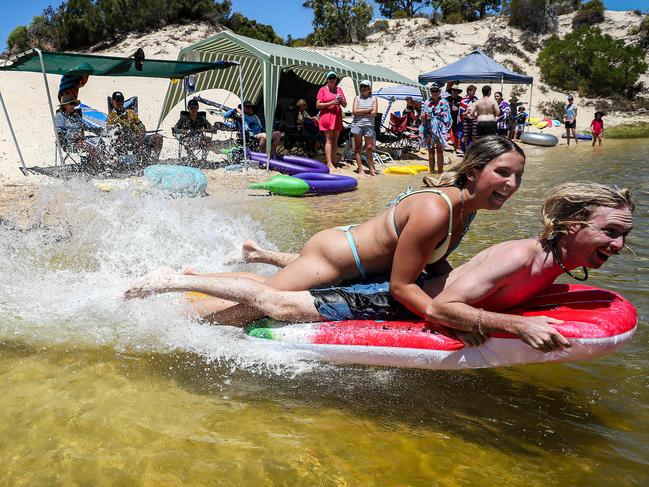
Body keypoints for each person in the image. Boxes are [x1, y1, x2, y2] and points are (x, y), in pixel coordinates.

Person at [126, 182, 634, 353]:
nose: (617, 245)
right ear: (569, 225)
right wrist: (511, 325)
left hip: (397, 288)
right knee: (277, 303)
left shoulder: (552, 264)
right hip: (393, 299)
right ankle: (174, 279)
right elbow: (444, 306)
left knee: (243, 312)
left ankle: (200, 288)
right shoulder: (522, 255)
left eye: (624, 236)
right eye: (610, 232)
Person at [126, 136, 526, 327]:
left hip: (347, 257)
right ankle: (176, 293)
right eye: (502, 173)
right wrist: (447, 317)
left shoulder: (466, 209)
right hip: (336, 260)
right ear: (474, 172)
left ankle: (198, 278)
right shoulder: (437, 209)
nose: (510, 185)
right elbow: (403, 286)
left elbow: (433, 263)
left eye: (518, 177)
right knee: (254, 308)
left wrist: (464, 289)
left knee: (273, 284)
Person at [106, 91, 163, 161]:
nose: (120, 103)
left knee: (158, 137)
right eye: (117, 101)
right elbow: (110, 132)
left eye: (121, 101)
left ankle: (154, 160)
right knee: (136, 139)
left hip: (139, 137)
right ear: (113, 102)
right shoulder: (112, 117)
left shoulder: (131, 113)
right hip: (125, 142)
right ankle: (141, 161)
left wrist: (141, 133)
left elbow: (142, 127)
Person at [55, 94, 104, 165]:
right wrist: (72, 135)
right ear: (65, 105)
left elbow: (85, 127)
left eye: (74, 104)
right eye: (71, 104)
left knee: (100, 142)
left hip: (81, 139)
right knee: (92, 146)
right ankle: (94, 166)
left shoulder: (76, 115)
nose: (73, 106)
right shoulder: (59, 116)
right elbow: (59, 132)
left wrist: (98, 130)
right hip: (69, 142)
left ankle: (101, 162)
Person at [316, 71, 347, 171]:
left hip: (337, 117)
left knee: (335, 140)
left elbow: (345, 105)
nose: (332, 80)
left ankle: (333, 162)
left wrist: (341, 101)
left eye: (334, 78)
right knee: (329, 139)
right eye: (330, 78)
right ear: (327, 80)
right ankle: (329, 163)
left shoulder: (339, 89)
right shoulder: (322, 89)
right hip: (327, 117)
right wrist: (331, 102)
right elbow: (318, 105)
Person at [419, 82, 452, 173]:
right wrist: (423, 116)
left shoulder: (444, 102)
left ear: (439, 91)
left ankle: (440, 172)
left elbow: (448, 118)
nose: (435, 93)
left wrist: (448, 131)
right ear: (430, 92)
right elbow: (422, 117)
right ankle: (432, 173)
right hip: (429, 129)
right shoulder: (426, 103)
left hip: (441, 130)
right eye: (433, 91)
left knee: (440, 152)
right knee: (430, 152)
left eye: (436, 91)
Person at [350, 80, 378, 176]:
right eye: (361, 86)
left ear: (369, 89)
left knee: (369, 148)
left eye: (365, 87)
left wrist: (361, 111)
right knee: (358, 147)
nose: (363, 88)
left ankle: (371, 169)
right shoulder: (357, 98)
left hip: (369, 125)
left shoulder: (374, 98)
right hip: (357, 124)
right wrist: (368, 110)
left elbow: (374, 113)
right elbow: (354, 112)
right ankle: (361, 169)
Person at [459, 85, 478, 151]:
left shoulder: (476, 99)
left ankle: (474, 150)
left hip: (474, 120)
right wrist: (466, 113)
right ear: (469, 91)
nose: (474, 93)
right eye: (473, 91)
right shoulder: (464, 100)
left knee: (474, 135)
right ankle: (466, 150)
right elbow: (461, 112)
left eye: (475, 91)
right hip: (466, 120)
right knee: (466, 136)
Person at [446, 84, 463, 154]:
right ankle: (443, 146)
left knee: (456, 134)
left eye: (456, 91)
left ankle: (456, 148)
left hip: (457, 119)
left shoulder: (461, 99)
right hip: (448, 118)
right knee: (445, 133)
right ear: (451, 91)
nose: (454, 92)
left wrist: (457, 106)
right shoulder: (447, 99)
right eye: (453, 90)